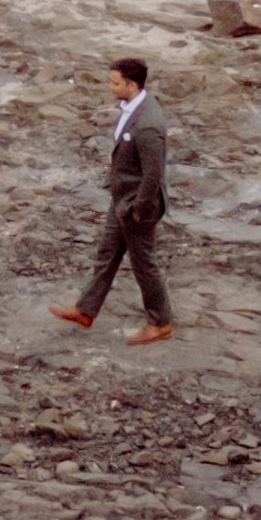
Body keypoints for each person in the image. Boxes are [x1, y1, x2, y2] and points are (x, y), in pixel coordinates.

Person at [52, 53, 174, 342]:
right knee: (107, 254)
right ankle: (86, 310)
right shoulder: (131, 106)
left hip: (137, 206)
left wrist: (137, 209)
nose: (110, 86)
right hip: (121, 198)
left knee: (144, 265)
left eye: (114, 82)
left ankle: (161, 323)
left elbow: (153, 174)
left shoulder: (148, 124)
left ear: (131, 85)